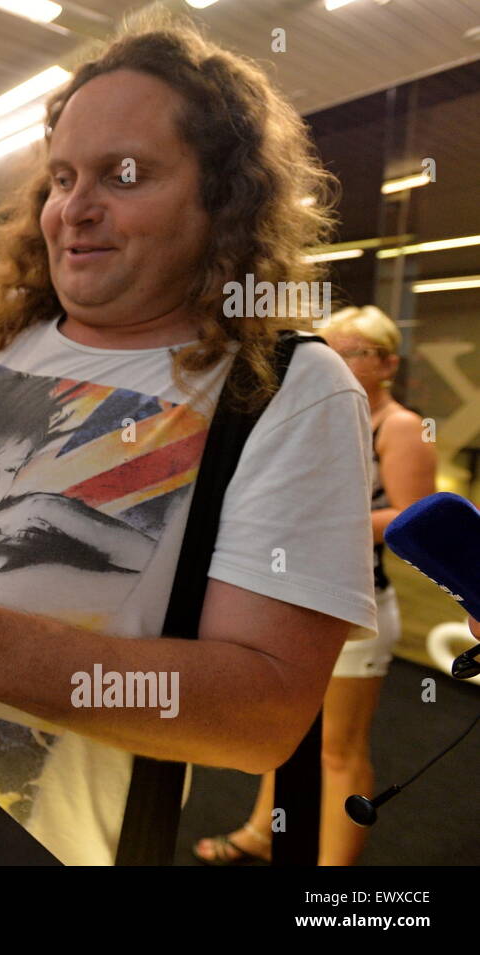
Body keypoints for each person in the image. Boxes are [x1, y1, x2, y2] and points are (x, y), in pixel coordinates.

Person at [0, 18, 378, 865]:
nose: (74, 207)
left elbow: (264, 714)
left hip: (38, 841)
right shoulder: (13, 328)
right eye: (61, 177)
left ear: (224, 196)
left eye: (122, 175)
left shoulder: (290, 389)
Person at [195, 305, 437, 865]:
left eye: (353, 351)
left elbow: (413, 518)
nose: (338, 362)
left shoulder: (397, 425)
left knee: (338, 751)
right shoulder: (322, 415)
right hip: (296, 596)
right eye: (331, 350)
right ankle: (262, 832)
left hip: (358, 601)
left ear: (387, 363)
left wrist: (309, 521)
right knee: (282, 732)